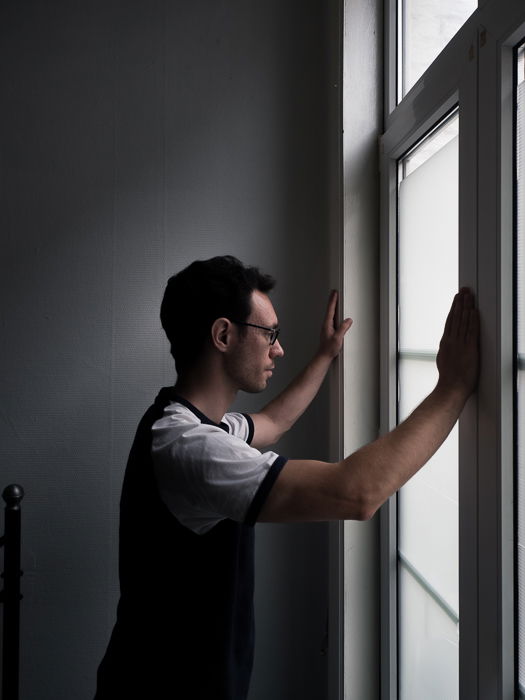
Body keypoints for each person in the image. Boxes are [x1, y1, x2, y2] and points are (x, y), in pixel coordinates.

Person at [94, 255, 479, 700]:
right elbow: (356, 494)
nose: (277, 349)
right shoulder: (191, 448)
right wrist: (452, 388)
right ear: (223, 335)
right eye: (269, 334)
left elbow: (273, 421)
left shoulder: (193, 425)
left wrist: (325, 355)